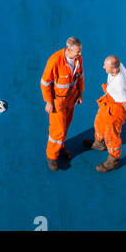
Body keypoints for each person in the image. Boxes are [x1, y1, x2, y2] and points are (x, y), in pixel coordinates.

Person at [41, 37, 84, 170]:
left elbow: (80, 76)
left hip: (71, 98)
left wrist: (80, 93)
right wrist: (49, 101)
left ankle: (60, 147)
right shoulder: (55, 61)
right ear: (69, 49)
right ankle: (52, 156)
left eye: (80, 51)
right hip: (57, 101)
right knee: (57, 129)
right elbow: (45, 82)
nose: (80, 54)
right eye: (78, 51)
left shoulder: (78, 60)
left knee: (66, 125)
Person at [86, 56, 126, 173]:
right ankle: (99, 143)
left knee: (111, 134)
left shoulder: (120, 85)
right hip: (109, 100)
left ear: (114, 70)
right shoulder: (118, 67)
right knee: (99, 122)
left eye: (105, 66)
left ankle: (113, 160)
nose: (103, 67)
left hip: (116, 108)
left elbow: (125, 103)